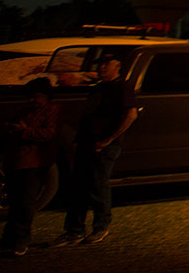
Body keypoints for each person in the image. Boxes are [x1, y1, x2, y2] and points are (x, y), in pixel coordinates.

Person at [52, 55, 137, 246]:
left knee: (98, 185)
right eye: (100, 64)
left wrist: (108, 139)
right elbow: (88, 115)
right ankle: (74, 231)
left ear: (117, 66)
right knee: (78, 187)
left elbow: (131, 115)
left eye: (107, 64)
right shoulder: (98, 89)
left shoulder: (122, 87)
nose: (102, 68)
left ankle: (100, 227)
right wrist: (77, 140)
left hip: (104, 145)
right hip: (86, 143)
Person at [0, 77, 61, 256]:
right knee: (15, 202)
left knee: (26, 202)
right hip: (17, 161)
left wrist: (24, 131)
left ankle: (21, 240)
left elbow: (49, 133)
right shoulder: (27, 111)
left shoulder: (52, 110)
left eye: (35, 96)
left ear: (44, 96)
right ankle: (8, 238)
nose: (31, 100)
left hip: (34, 162)